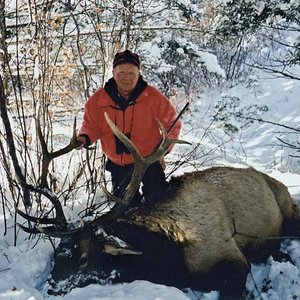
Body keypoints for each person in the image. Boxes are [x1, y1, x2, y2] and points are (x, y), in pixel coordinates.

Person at [76, 49, 181, 207]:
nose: (127, 78)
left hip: (148, 161)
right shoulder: (98, 100)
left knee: (159, 202)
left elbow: (173, 122)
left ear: (139, 73)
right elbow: (91, 125)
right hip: (120, 165)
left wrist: (163, 150)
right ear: (113, 72)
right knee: (125, 207)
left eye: (131, 73)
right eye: (122, 73)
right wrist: (84, 138)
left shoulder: (152, 97)